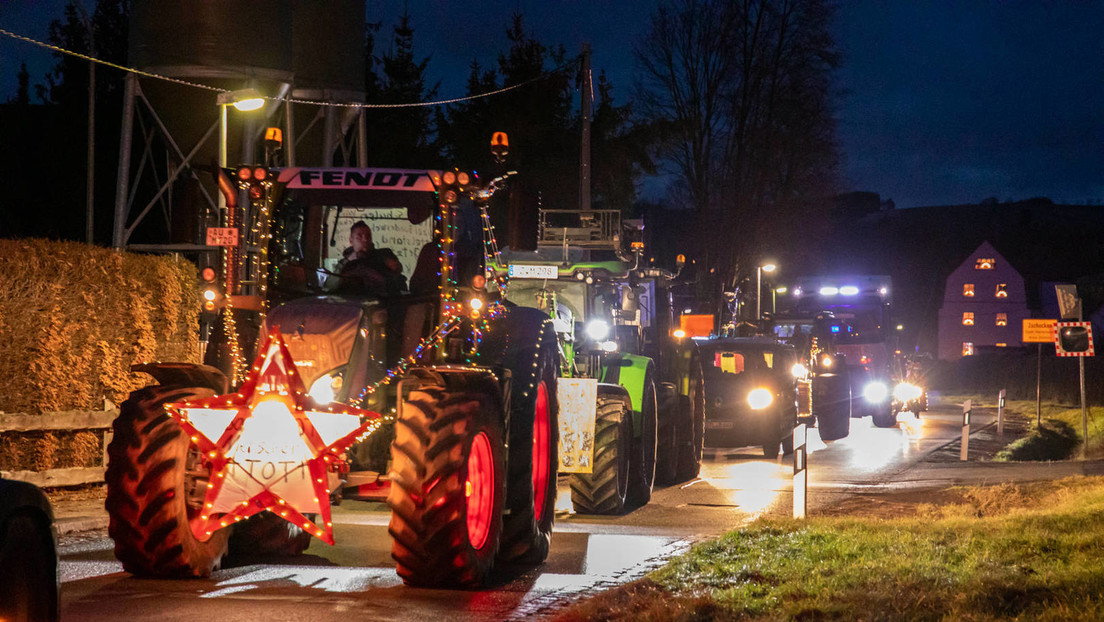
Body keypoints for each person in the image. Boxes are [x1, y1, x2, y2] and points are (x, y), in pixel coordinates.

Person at [330, 221, 406, 296]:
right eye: (359, 236)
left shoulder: (383, 255)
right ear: (351, 241)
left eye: (368, 236)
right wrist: (347, 262)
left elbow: (397, 270)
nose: (365, 240)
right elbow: (331, 286)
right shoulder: (344, 263)